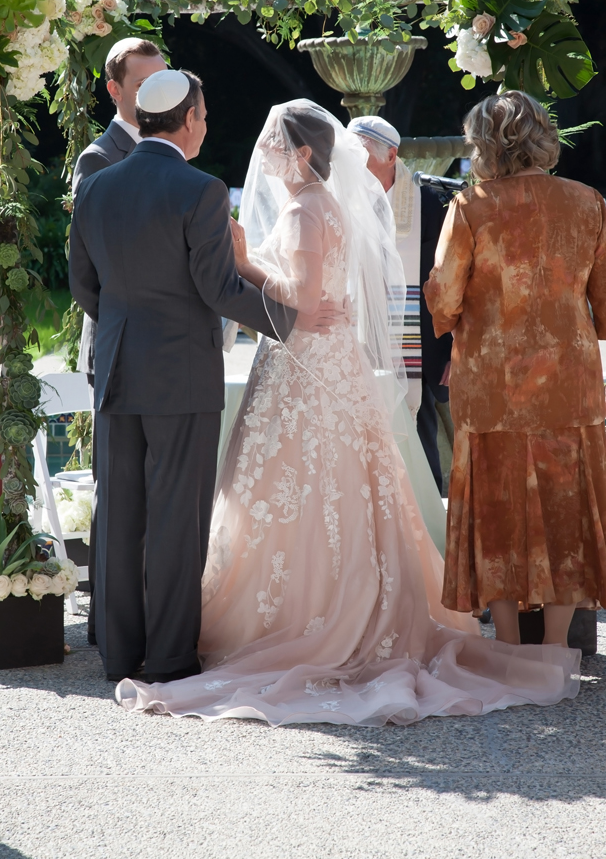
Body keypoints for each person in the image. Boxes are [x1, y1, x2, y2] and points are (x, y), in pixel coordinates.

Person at [117, 99, 579, 726]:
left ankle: (304, 616)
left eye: (275, 145)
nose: (265, 154)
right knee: (336, 486)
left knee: (300, 485)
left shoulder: (304, 211)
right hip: (329, 361)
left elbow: (305, 301)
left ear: (303, 153)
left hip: (306, 361)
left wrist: (244, 261)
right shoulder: (323, 205)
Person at [69, 72, 338, 683]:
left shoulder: (97, 185)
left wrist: (128, 328)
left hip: (116, 368)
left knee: (119, 514)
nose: (207, 126)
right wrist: (292, 320)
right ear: (187, 119)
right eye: (206, 116)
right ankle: (168, 657)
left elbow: (85, 286)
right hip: (182, 374)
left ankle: (118, 655)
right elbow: (218, 289)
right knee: (176, 518)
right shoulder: (202, 189)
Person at [425, 91, 606, 648]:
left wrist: (452, 318)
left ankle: (507, 644)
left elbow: (444, 295)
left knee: (496, 504)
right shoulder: (588, 202)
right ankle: (554, 649)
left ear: (485, 144)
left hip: (492, 380)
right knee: (565, 507)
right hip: (569, 378)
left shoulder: (471, 206)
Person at [71, 36, 166, 645]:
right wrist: (127, 327)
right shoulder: (99, 158)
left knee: (155, 494)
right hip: (119, 348)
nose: (157, 93)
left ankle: (149, 615)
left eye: (163, 80)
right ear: (114, 90)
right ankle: (110, 621)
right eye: (143, 84)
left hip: (163, 350)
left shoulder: (173, 151)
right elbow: (88, 274)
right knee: (120, 488)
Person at [348, 116, 453, 493]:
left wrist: (454, 349)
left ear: (391, 155)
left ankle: (426, 515)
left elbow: (454, 281)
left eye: (358, 152)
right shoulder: (343, 200)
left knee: (420, 436)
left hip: (418, 344)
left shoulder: (431, 203)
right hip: (358, 336)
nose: (349, 160)